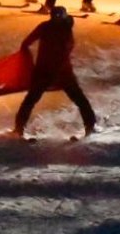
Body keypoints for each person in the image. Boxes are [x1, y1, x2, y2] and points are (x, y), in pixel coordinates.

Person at [14, 7, 97, 138]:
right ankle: (90, 125)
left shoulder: (48, 27)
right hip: (58, 72)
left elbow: (26, 43)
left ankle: (19, 127)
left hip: (48, 71)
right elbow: (66, 49)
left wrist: (27, 61)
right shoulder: (63, 29)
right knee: (80, 100)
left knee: (30, 100)